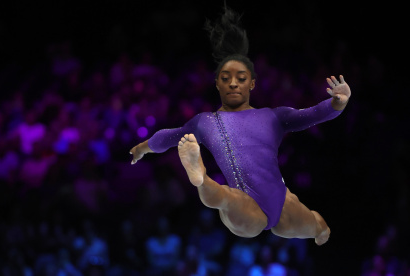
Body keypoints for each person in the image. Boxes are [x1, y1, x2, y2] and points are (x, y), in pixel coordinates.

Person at [129, 5, 351, 245]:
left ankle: (321, 231)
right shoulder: (206, 122)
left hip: (282, 202)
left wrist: (338, 103)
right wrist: (142, 147)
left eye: (241, 79)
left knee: (319, 227)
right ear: (217, 84)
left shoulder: (273, 117)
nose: (233, 84)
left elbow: (313, 115)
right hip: (246, 204)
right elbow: (169, 137)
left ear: (252, 84)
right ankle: (200, 177)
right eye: (226, 79)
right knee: (226, 198)